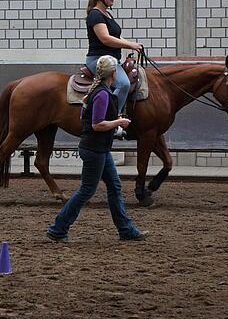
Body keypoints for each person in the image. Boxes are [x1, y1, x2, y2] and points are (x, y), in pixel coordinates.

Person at [46, 55, 150, 243]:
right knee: (87, 190)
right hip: (95, 149)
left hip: (98, 148)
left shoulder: (98, 91)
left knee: (114, 186)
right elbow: (97, 124)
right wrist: (119, 122)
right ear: (113, 75)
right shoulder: (102, 94)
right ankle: (58, 228)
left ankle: (126, 230)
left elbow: (88, 119)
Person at [84, 0, 143, 137]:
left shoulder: (107, 14)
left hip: (112, 59)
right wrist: (130, 45)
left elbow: (116, 36)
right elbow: (105, 39)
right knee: (123, 84)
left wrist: (131, 44)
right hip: (99, 59)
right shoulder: (95, 14)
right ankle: (111, 120)